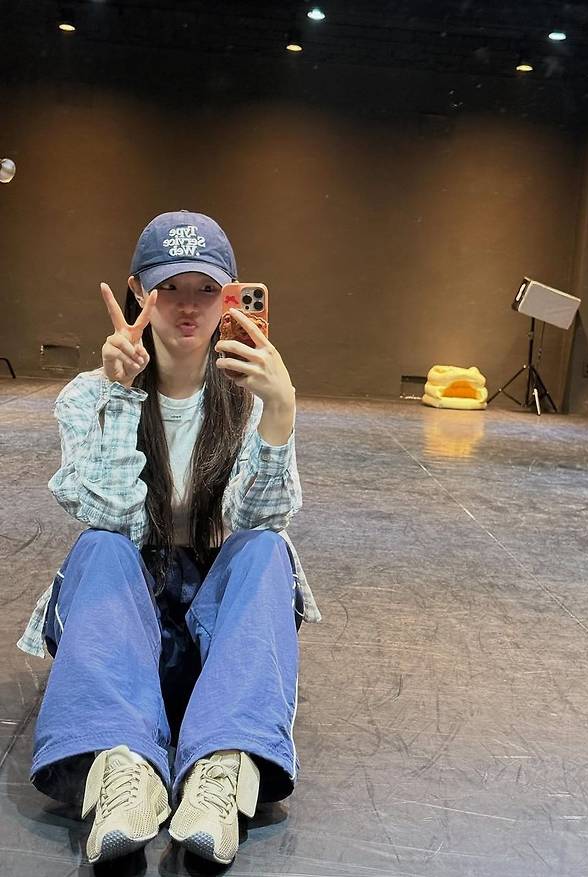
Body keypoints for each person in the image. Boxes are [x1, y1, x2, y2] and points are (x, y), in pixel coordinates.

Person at [16, 210, 321, 866]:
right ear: (138, 292)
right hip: (125, 633)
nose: (187, 306)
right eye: (169, 288)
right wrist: (120, 394)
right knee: (100, 546)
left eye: (205, 289)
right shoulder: (86, 397)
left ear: (231, 297)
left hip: (220, 643)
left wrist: (280, 412)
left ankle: (220, 768)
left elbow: (258, 520)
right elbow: (112, 516)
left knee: (267, 549)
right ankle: (123, 772)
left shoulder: (252, 394)